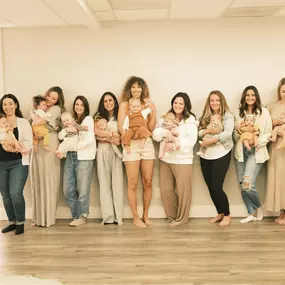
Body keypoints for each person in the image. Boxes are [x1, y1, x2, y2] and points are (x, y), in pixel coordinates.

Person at [153, 92, 197, 226]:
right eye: (176, 103)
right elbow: (155, 134)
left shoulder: (190, 120)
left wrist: (175, 145)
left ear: (186, 106)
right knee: (166, 190)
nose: (177, 105)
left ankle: (182, 219)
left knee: (184, 190)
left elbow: (192, 140)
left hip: (182, 159)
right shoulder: (165, 117)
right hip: (166, 159)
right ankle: (172, 216)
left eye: (181, 103)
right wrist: (166, 133)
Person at [118, 76, 156, 228]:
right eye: (133, 87)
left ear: (143, 88)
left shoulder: (148, 104)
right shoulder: (124, 105)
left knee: (147, 181)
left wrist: (153, 112)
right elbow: (121, 127)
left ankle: (145, 215)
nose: (136, 89)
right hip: (131, 146)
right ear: (129, 89)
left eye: (139, 87)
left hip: (146, 143)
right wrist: (130, 136)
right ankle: (135, 217)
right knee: (133, 183)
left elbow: (151, 128)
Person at [234, 85, 272, 223]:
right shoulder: (238, 113)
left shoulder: (264, 112)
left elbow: (267, 133)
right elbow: (234, 134)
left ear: (256, 97)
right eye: (248, 95)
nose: (250, 97)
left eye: (253, 95)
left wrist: (254, 142)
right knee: (242, 183)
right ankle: (251, 213)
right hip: (241, 152)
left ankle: (258, 208)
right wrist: (240, 134)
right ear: (244, 97)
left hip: (256, 151)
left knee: (248, 184)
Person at [30, 86, 65, 227]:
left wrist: (33, 115)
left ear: (58, 101)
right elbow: (31, 124)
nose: (50, 100)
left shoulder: (56, 110)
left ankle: (48, 218)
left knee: (49, 179)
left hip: (50, 144)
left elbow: (38, 121)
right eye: (49, 96)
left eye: (54, 98)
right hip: (37, 143)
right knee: (38, 179)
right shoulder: (39, 108)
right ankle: (37, 218)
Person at [199, 90, 233, 227]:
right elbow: (199, 133)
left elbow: (227, 133)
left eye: (217, 100)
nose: (214, 103)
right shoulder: (206, 116)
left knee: (217, 187)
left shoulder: (227, 116)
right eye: (212, 100)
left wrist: (211, 139)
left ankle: (227, 215)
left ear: (222, 101)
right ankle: (219, 213)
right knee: (211, 187)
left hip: (222, 153)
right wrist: (208, 132)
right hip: (206, 155)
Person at [0, 94, 33, 235]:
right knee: (5, 194)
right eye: (5, 104)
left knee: (15, 193)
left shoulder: (23, 122)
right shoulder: (0, 122)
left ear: (16, 105)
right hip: (1, 164)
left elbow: (29, 142)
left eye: (10, 103)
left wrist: (17, 146)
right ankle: (12, 222)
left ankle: (20, 222)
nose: (8, 107)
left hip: (18, 163)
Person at [63, 96, 95, 227]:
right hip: (70, 156)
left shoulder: (88, 119)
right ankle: (76, 215)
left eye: (82, 105)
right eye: (77, 104)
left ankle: (82, 216)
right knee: (67, 189)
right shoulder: (71, 120)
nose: (79, 107)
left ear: (85, 107)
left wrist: (78, 146)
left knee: (83, 190)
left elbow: (90, 138)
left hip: (84, 157)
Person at [94, 92, 124, 225]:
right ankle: (108, 217)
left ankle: (118, 217)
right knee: (104, 184)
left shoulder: (120, 116)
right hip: (102, 150)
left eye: (110, 100)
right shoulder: (98, 117)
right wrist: (110, 135)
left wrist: (115, 138)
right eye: (105, 101)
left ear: (115, 101)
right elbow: (96, 132)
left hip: (116, 152)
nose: (108, 103)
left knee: (117, 184)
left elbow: (122, 136)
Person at [264, 78, 285, 223]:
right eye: (283, 91)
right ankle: (282, 211)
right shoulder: (271, 106)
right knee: (278, 180)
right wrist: (275, 122)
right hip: (276, 148)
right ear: (279, 91)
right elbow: (264, 125)